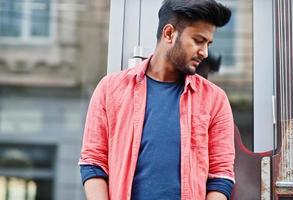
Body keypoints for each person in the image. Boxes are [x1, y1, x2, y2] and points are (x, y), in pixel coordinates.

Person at [79, 0, 235, 199]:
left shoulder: (215, 100)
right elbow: (93, 162)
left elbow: (221, 175)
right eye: (198, 40)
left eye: (208, 44)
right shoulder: (110, 89)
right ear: (169, 34)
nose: (204, 52)